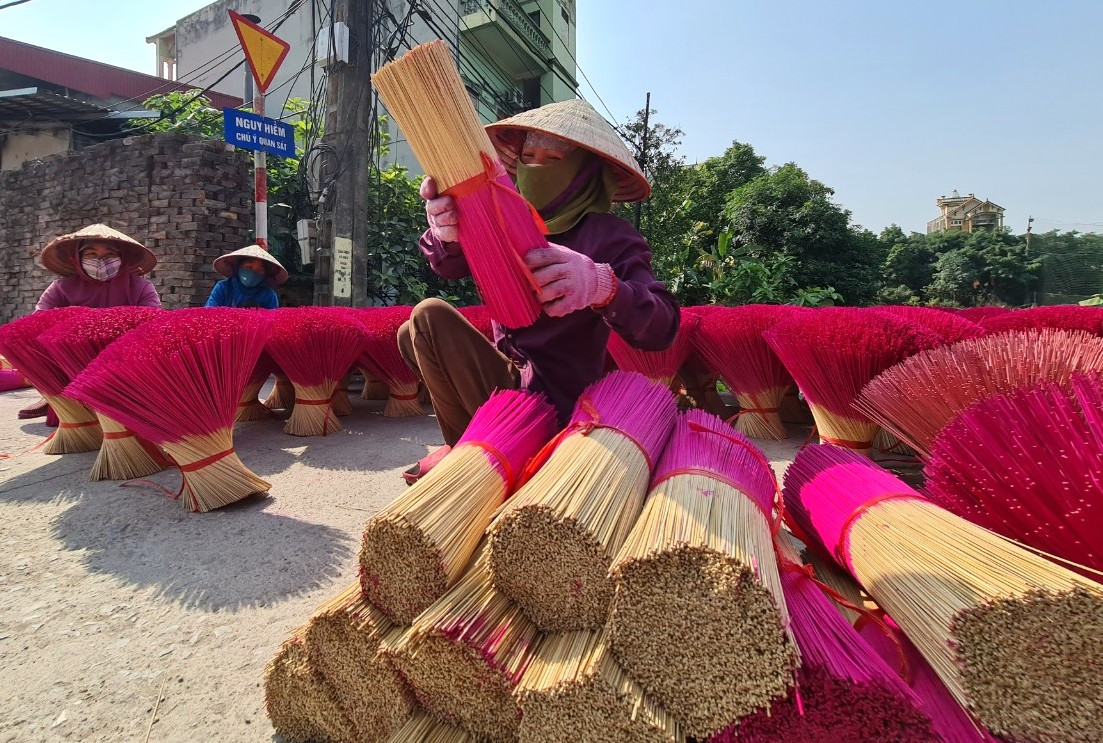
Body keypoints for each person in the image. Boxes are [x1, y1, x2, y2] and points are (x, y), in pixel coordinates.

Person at [399, 99, 679, 483]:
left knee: (428, 314)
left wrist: (602, 286)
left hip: (561, 396)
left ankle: (477, 457)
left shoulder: (611, 237)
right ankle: (474, 446)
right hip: (509, 378)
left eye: (552, 159)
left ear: (584, 172)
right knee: (410, 332)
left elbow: (662, 326)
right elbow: (449, 266)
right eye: (528, 156)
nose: (535, 168)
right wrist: (445, 231)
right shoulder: (504, 215)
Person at [18, 224, 161, 420]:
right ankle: (55, 395)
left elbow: (153, 322)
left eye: (109, 254)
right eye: (92, 254)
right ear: (77, 258)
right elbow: (37, 321)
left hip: (122, 357)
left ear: (123, 258)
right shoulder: (61, 288)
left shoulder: (140, 287)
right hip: (70, 360)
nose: (101, 261)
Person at [204, 245, 287, 309]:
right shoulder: (223, 288)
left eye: (259, 270)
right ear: (238, 268)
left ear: (265, 274)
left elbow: (271, 323)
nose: (253, 273)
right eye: (248, 268)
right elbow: (210, 315)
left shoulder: (268, 295)